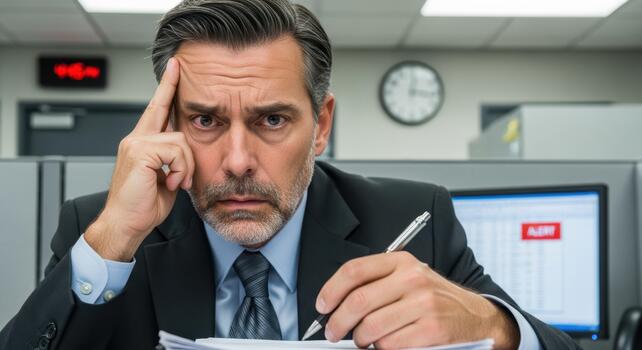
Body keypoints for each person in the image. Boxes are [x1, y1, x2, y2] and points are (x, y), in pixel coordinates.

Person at [0, 0, 580, 349]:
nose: (237, 161)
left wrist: (494, 327)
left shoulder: (412, 220)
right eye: (203, 120)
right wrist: (111, 241)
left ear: (321, 124)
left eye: (272, 119)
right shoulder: (104, 229)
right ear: (168, 126)